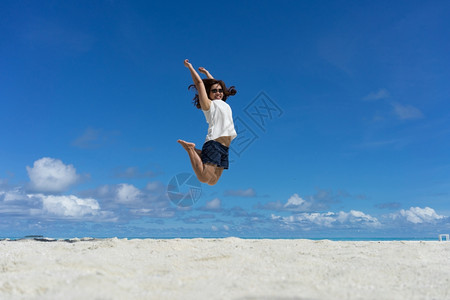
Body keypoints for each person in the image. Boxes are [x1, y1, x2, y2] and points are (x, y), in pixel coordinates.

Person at [178, 59, 237, 186]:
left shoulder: (223, 103)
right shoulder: (209, 105)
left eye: (220, 90)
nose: (218, 93)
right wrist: (190, 67)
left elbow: (216, 85)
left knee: (213, 182)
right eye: (214, 91)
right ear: (208, 93)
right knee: (204, 178)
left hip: (225, 148)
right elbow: (199, 84)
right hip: (214, 143)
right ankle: (190, 149)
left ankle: (200, 152)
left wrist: (208, 74)